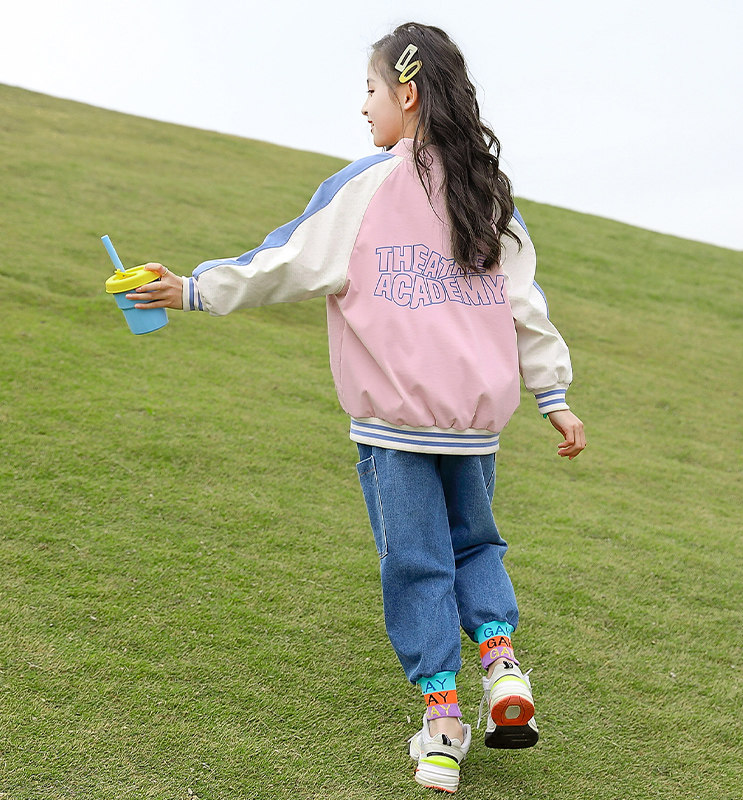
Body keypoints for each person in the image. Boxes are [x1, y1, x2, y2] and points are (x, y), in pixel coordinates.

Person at [128, 21, 585, 794]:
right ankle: (503, 665)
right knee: (476, 546)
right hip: (474, 428)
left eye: (370, 88)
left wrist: (196, 288)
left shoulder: (368, 185)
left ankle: (443, 728)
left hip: (395, 426)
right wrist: (554, 397)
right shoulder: (489, 194)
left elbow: (288, 260)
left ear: (406, 94)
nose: (363, 105)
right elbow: (526, 306)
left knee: (416, 564)